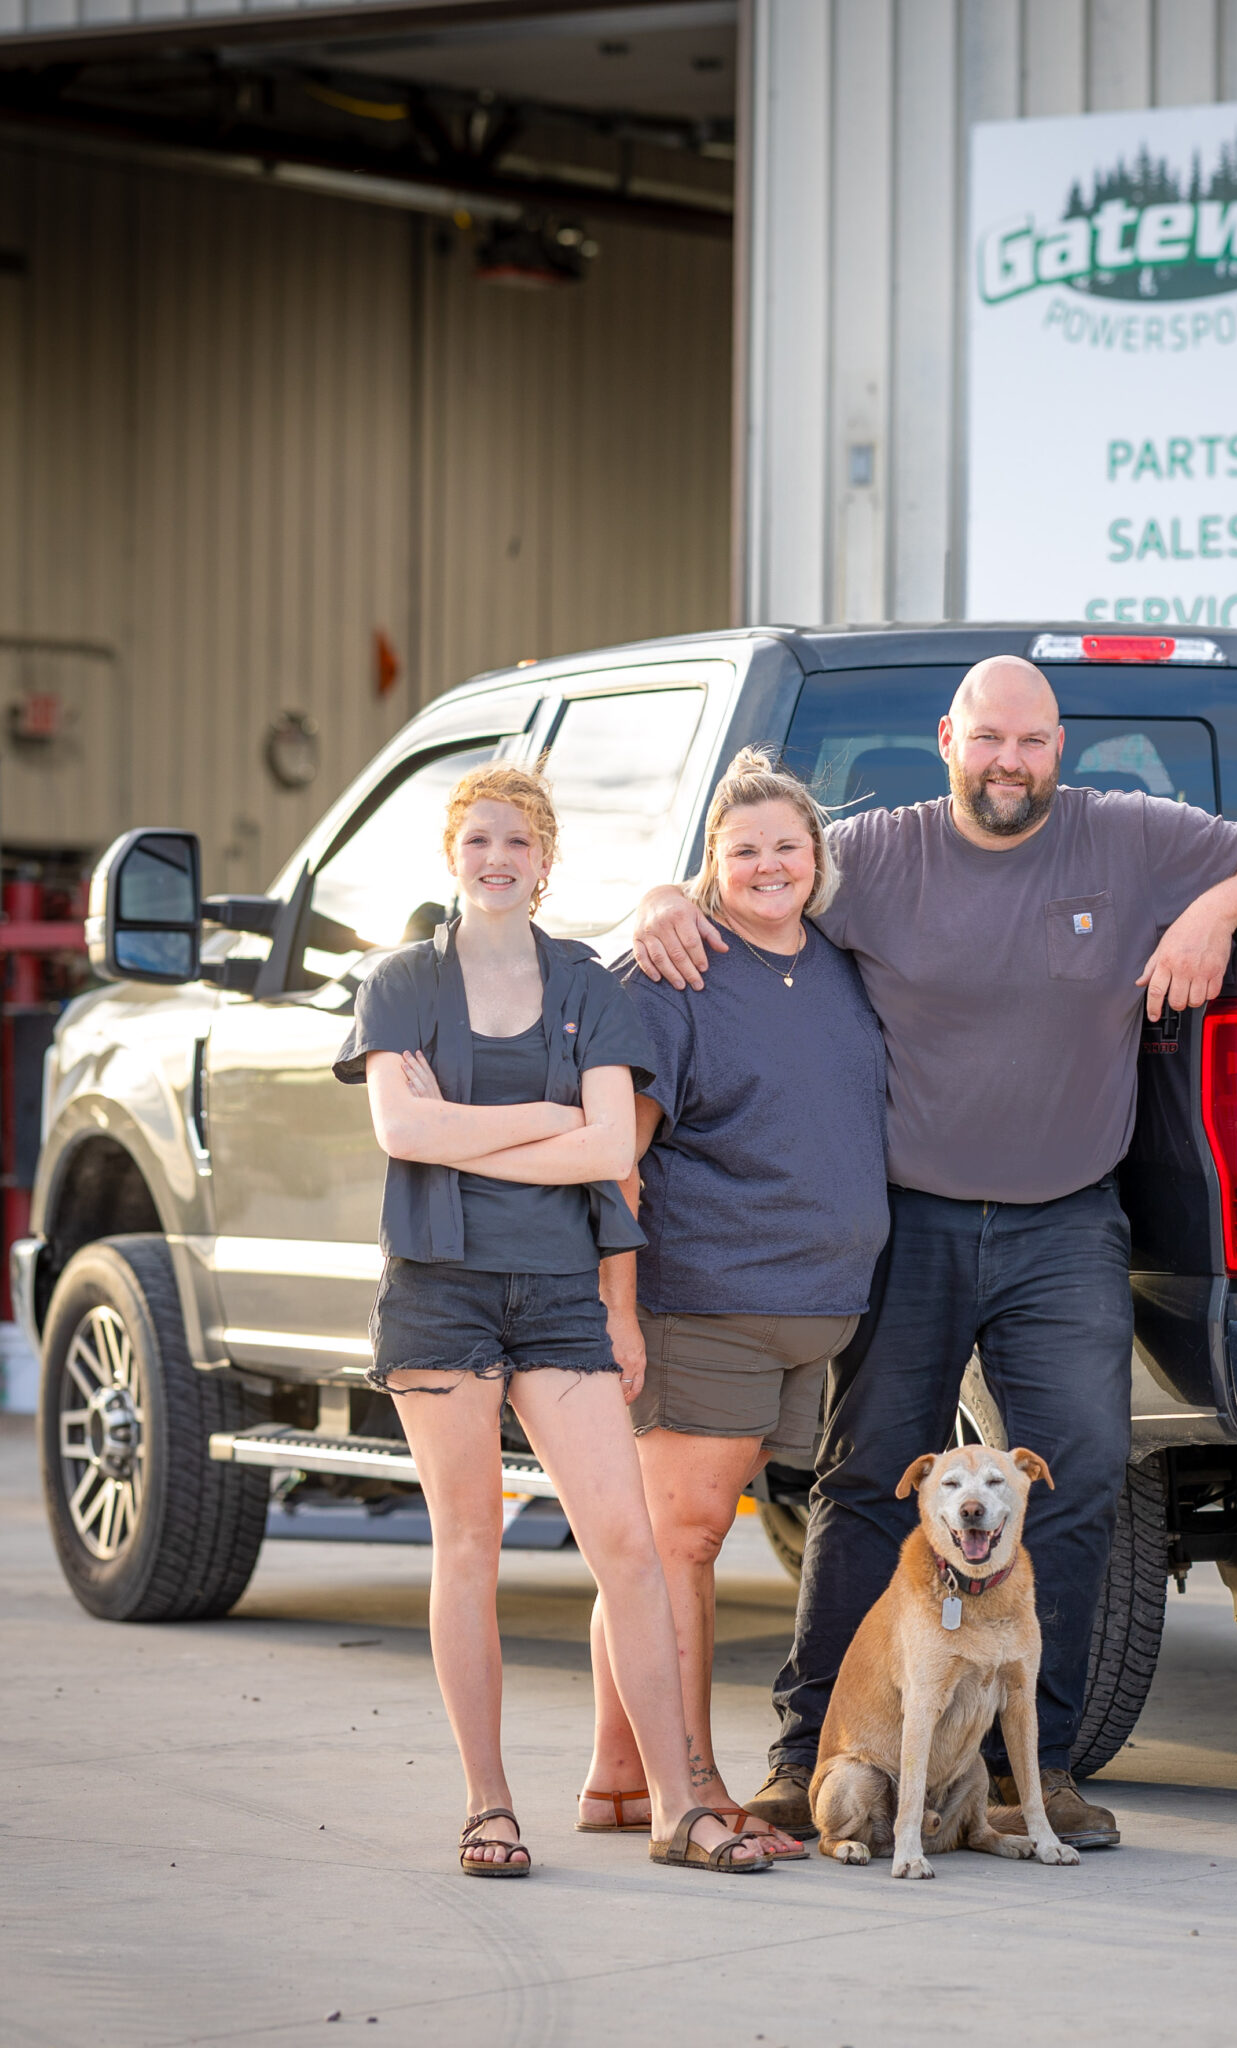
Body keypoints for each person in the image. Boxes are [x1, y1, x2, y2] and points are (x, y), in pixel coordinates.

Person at [632, 655, 1237, 1849]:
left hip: (1068, 1219)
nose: (1010, 762)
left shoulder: (1124, 835)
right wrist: (664, 896)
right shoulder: (878, 851)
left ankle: (1036, 1768)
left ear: (1060, 749)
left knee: (1079, 1476)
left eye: (1034, 742)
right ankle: (811, 1752)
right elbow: (760, 876)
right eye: (989, 738)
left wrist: (1214, 909)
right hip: (914, 1217)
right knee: (863, 1485)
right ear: (948, 736)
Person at [336, 764, 769, 1879]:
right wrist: (544, 1114)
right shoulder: (399, 984)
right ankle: (488, 1805)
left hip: (558, 1293)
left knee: (625, 1545)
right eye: (478, 839)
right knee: (468, 1546)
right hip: (440, 1288)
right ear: (451, 854)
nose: (497, 858)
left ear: (545, 860)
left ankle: (675, 1803)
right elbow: (398, 1131)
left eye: (518, 842)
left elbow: (610, 1150)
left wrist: (468, 1120)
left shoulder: (586, 982)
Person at [577, 750, 888, 1862]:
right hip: (704, 1300)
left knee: (670, 1546)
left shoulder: (840, 963)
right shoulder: (675, 974)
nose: (768, 864)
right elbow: (616, 1160)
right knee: (683, 1546)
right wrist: (617, 1309)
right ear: (710, 865)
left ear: (816, 857)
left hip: (809, 1306)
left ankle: (620, 1775)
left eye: (786, 845)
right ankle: (690, 1786)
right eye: (742, 847)